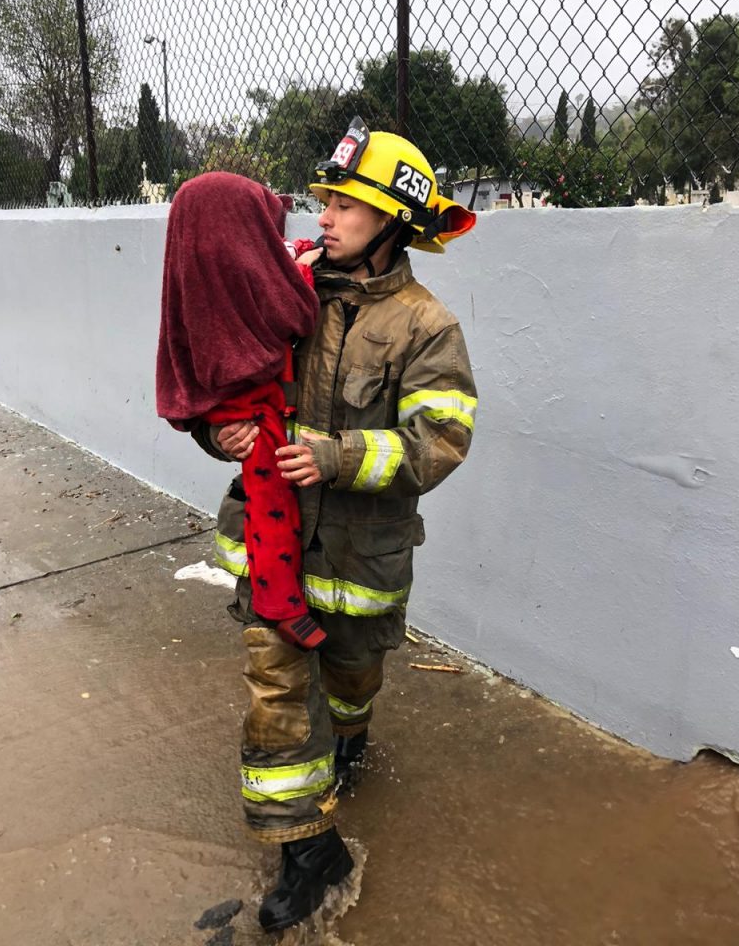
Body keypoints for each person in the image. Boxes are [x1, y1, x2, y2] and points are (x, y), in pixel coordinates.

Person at [191, 119, 478, 933]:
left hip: (360, 562)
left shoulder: (427, 327)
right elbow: (224, 389)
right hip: (271, 553)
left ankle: (350, 732)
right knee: (278, 698)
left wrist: (338, 455)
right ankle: (308, 852)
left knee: (348, 687)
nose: (323, 216)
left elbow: (442, 439)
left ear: (392, 222)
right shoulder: (286, 289)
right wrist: (224, 434)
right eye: (324, 199)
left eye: (346, 203)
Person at [156, 172, 326, 649]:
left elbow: (266, 272)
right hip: (256, 408)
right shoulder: (263, 287)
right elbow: (295, 311)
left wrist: (292, 256)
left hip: (232, 402)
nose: (277, 242)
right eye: (265, 232)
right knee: (271, 503)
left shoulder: (204, 272)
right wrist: (305, 269)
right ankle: (281, 603)